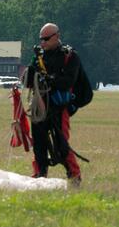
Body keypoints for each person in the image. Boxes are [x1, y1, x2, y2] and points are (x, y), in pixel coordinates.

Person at [26, 23, 82, 186]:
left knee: (61, 144)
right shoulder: (38, 57)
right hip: (40, 106)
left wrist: (51, 80)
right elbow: (29, 80)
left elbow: (69, 81)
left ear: (56, 36)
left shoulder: (70, 56)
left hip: (59, 107)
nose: (42, 42)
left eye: (46, 39)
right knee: (39, 143)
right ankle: (40, 174)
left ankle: (74, 175)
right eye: (41, 39)